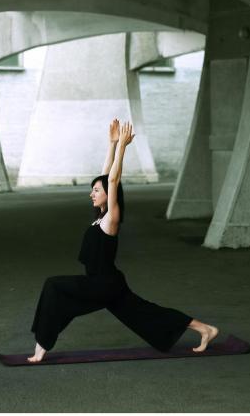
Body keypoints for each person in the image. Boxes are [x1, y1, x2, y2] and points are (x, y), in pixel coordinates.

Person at [27, 119, 218, 362]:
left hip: (103, 285)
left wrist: (123, 149)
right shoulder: (99, 216)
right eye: (93, 190)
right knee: (146, 313)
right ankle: (206, 329)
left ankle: (40, 347)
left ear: (108, 194)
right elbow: (107, 176)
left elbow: (113, 180)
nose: (92, 193)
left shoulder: (111, 219)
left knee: (53, 287)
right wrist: (112, 143)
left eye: (96, 190)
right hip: (106, 285)